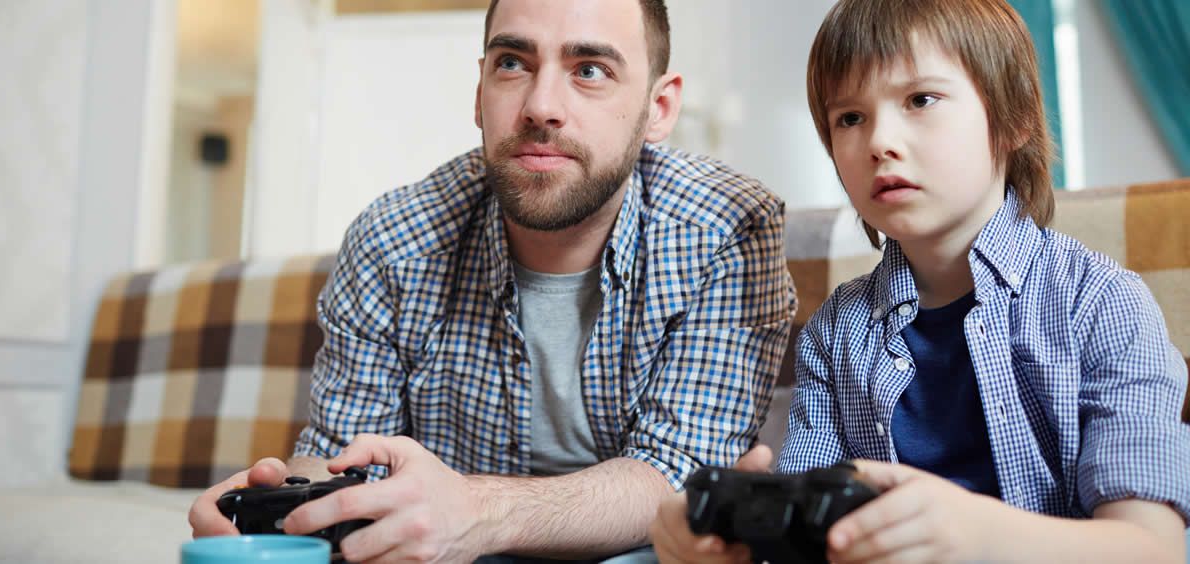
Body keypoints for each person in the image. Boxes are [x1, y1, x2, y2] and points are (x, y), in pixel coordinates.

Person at [188, 0, 796, 562]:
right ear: (480, 91)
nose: (540, 106)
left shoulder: (728, 229)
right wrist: (286, 511)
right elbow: (343, 455)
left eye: (589, 70)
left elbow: (678, 473)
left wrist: (479, 511)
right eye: (512, 63)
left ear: (658, 109)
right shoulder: (393, 241)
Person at [650, 0, 1190, 562]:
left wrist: (978, 536)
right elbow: (815, 534)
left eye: (920, 100)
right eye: (850, 118)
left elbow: (1152, 548)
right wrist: (737, 530)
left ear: (1013, 118)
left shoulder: (1102, 303)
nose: (880, 141)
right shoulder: (835, 332)